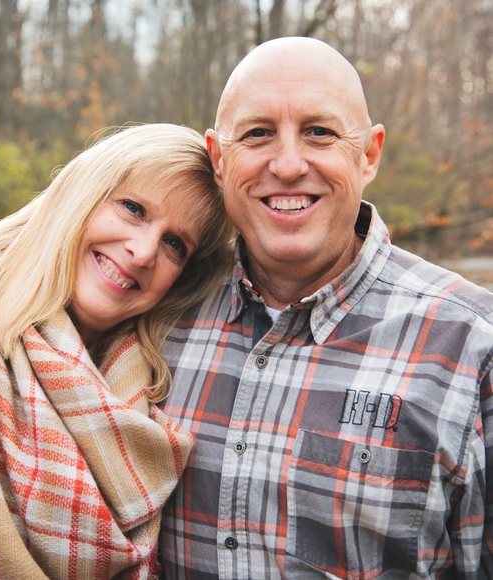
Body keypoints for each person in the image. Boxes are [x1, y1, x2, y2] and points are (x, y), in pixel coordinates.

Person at [158, 37, 493, 578]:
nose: (289, 165)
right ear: (219, 159)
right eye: (258, 133)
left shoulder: (471, 346)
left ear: (369, 155)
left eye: (320, 132)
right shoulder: (159, 314)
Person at [0, 123, 234, 579]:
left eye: (175, 244)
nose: (144, 252)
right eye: (133, 209)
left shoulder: (153, 400)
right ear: (80, 195)